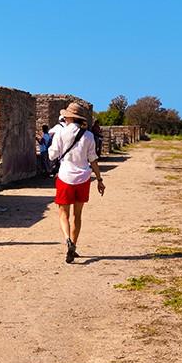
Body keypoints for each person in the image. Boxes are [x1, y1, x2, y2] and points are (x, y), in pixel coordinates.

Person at [48, 102, 105, 263]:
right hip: (83, 178)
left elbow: (52, 155)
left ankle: (68, 240)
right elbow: (93, 159)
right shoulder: (89, 136)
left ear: (69, 117)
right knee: (77, 215)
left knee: (63, 214)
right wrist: (99, 179)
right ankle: (74, 245)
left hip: (65, 177)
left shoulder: (60, 133)